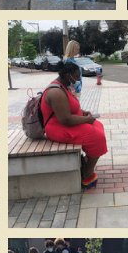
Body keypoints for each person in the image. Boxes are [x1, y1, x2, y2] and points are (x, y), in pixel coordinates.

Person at [41, 61, 108, 189]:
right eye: (76, 76)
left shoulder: (63, 86)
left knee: (98, 125)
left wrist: (83, 113)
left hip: (65, 123)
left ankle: (87, 161)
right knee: (97, 136)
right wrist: (86, 119)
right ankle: (87, 174)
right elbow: (65, 119)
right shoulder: (56, 92)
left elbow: (69, 108)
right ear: (67, 75)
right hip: (58, 128)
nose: (78, 79)